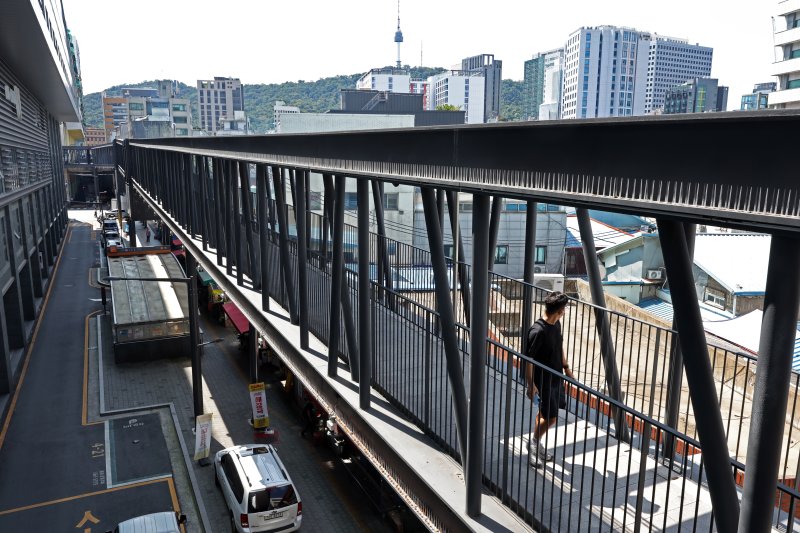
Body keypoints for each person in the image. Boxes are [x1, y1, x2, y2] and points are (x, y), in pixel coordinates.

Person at [525, 291, 575, 468]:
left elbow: (559, 345)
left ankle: (535, 442)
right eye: (564, 309)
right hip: (543, 380)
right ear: (560, 310)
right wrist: (531, 386)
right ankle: (533, 444)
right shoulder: (537, 331)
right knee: (551, 418)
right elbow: (528, 361)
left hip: (556, 376)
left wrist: (566, 368)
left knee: (545, 414)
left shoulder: (556, 324)